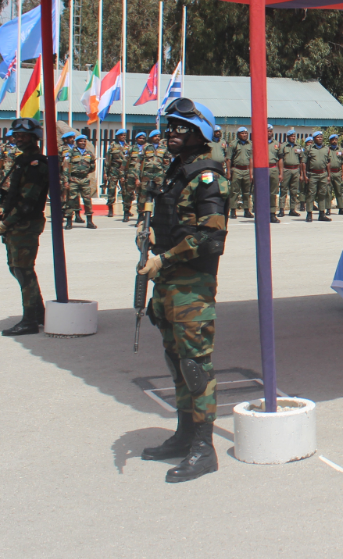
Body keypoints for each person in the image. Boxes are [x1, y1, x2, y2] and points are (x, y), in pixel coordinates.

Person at [136, 97, 228, 483]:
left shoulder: (207, 177)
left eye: (180, 128)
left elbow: (211, 237)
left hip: (192, 286)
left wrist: (163, 259)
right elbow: (171, 219)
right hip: (168, 284)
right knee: (176, 362)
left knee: (195, 366)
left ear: (198, 133)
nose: (171, 133)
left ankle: (204, 449)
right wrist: (150, 236)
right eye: (170, 127)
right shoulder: (178, 171)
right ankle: (185, 434)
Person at [0, 118, 49, 335]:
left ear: (34, 137)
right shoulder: (23, 160)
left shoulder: (36, 164)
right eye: (16, 135)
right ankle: (38, 314)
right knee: (17, 268)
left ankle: (30, 320)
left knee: (23, 270)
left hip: (26, 224)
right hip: (18, 223)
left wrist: (4, 225)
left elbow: (28, 202)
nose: (18, 139)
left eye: (23, 136)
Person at [63, 133, 98, 229]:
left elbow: (92, 166)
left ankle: (89, 222)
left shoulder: (89, 153)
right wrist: (66, 181)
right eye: (81, 141)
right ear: (77, 142)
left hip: (84, 179)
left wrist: (84, 172)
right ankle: (69, 222)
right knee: (71, 200)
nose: (83, 143)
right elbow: (66, 167)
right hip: (73, 179)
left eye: (84, 141)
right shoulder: (71, 153)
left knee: (87, 200)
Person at [302, 131, 331, 222]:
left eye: (321, 137)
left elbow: (328, 162)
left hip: (323, 174)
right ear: (314, 139)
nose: (320, 139)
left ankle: (322, 214)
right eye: (318, 137)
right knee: (311, 194)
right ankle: (309, 213)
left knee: (322, 194)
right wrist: (304, 175)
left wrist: (329, 175)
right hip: (312, 174)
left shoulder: (326, 149)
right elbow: (304, 163)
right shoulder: (309, 149)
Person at [226, 127, 253, 219]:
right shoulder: (233, 144)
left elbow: (251, 159)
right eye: (242, 133)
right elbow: (228, 159)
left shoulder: (250, 144)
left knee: (246, 191)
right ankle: (233, 210)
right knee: (234, 191)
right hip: (236, 169)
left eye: (246, 133)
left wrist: (251, 173)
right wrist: (228, 172)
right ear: (238, 134)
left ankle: (247, 210)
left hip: (246, 170)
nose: (244, 135)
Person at [139, 129, 169, 212]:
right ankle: (141, 214)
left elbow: (166, 162)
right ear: (151, 137)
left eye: (158, 136)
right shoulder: (146, 147)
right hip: (146, 173)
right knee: (143, 195)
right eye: (155, 136)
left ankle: (157, 213)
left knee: (159, 194)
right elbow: (139, 161)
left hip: (159, 174)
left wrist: (166, 174)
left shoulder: (163, 148)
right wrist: (138, 175)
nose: (157, 138)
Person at [276, 129, 302, 218]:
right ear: (288, 137)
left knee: (294, 191)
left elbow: (301, 160)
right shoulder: (283, 146)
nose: (293, 138)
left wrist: (300, 173)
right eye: (291, 136)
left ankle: (292, 209)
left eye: (294, 136)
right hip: (286, 169)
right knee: (283, 190)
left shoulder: (298, 147)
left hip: (295, 170)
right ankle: (281, 209)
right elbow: (280, 159)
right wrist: (281, 173)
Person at [105, 129, 131, 219]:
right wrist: (106, 172)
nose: (123, 137)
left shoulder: (128, 146)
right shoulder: (113, 146)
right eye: (121, 135)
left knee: (125, 190)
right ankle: (110, 209)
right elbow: (108, 159)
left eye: (124, 135)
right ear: (118, 136)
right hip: (114, 170)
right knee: (111, 189)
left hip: (124, 171)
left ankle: (127, 210)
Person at [326, 133, 343, 216]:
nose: (334, 141)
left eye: (335, 139)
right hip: (329, 172)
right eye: (332, 140)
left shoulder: (341, 150)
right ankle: (328, 209)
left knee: (338, 191)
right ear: (330, 141)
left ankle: (341, 208)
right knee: (328, 191)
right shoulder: (327, 150)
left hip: (337, 172)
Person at [128, 132, 148, 219]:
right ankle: (126, 211)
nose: (142, 140)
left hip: (143, 174)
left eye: (143, 138)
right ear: (136, 139)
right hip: (131, 173)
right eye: (140, 138)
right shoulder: (131, 148)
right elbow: (126, 161)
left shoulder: (148, 148)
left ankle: (141, 214)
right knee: (129, 193)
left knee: (142, 194)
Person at [265, 125, 279, 223]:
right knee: (262, 193)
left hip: (273, 169)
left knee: (273, 193)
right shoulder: (259, 142)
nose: (269, 133)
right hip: (262, 169)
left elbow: (280, 159)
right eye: (267, 131)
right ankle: (262, 214)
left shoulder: (277, 144)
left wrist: (280, 173)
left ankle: (272, 213)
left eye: (270, 131)